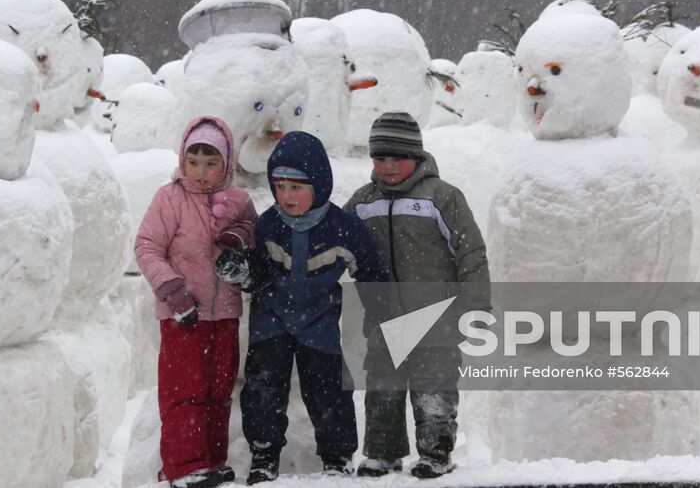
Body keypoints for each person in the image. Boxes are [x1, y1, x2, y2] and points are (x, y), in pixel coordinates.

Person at [221, 131, 386, 484]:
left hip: (319, 322)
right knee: (263, 388)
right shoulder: (268, 224)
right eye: (279, 186)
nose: (286, 196)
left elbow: (370, 271)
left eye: (296, 187)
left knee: (329, 390)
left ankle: (337, 457)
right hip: (272, 321)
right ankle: (264, 455)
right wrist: (243, 271)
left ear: (320, 184)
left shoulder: (343, 229)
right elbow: (258, 274)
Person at [344, 111, 491, 479]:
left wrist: (475, 303)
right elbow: (338, 243)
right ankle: (382, 454)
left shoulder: (441, 197)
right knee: (383, 388)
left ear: (417, 155)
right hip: (385, 317)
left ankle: (436, 453)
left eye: (398, 158)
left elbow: (470, 252)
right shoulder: (363, 202)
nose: (389, 167)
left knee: (433, 389)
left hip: (436, 317)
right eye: (381, 158)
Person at [134, 116, 258, 488]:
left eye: (211, 163)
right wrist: (171, 288)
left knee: (218, 392)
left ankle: (211, 462)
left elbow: (254, 233)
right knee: (183, 392)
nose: (201, 172)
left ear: (227, 163)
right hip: (182, 315)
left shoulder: (239, 201)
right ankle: (183, 467)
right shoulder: (169, 198)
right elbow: (147, 247)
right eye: (193, 162)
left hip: (224, 314)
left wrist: (239, 236)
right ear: (183, 160)